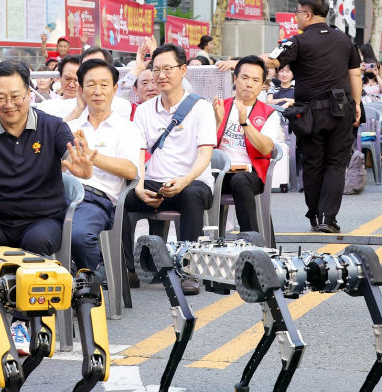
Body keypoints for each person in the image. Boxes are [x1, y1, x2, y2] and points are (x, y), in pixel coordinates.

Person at [0, 61, 96, 354]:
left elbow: (72, 153)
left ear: (29, 93)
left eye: (16, 96)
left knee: (35, 245)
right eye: (0, 98)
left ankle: (20, 323)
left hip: (42, 219)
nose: (9, 104)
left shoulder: (53, 126)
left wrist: (82, 167)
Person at [219, 0, 361, 233]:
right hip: (341, 109)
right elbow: (354, 75)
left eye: (297, 13)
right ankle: (328, 218)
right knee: (336, 164)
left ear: (307, 14)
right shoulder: (345, 40)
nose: (295, 18)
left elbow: (273, 60)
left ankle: (315, 217)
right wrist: (356, 104)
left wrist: (240, 63)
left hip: (309, 112)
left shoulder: (299, 41)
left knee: (313, 164)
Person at [125, 43, 216, 295]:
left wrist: (184, 181)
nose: (161, 75)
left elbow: (205, 155)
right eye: (156, 70)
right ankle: (128, 268)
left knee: (189, 195)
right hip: (153, 183)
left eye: (168, 69)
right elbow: (138, 154)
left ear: (183, 70)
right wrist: (140, 187)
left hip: (193, 183)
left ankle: (188, 269)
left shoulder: (201, 107)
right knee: (121, 198)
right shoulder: (143, 111)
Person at [67, 59, 143, 273]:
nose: (97, 91)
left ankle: (91, 280)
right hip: (59, 195)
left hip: (97, 199)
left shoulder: (127, 129)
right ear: (81, 90)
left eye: (104, 84)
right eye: (91, 85)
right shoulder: (69, 127)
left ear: (115, 89)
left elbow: (130, 170)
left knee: (78, 235)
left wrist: (90, 154)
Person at [213, 55, 282, 233]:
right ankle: (199, 243)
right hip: (218, 173)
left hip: (251, 175)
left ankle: (251, 240)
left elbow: (267, 148)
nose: (249, 84)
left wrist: (245, 123)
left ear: (262, 85)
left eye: (255, 80)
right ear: (235, 79)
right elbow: (203, 146)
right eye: (244, 78)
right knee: (195, 186)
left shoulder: (268, 113)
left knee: (240, 181)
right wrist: (218, 122)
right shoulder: (219, 106)